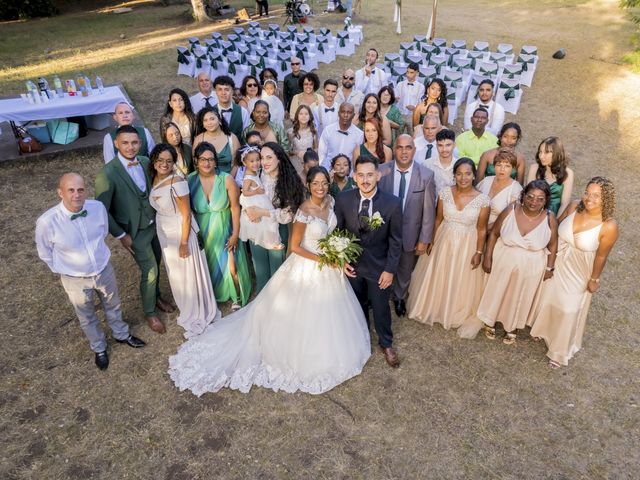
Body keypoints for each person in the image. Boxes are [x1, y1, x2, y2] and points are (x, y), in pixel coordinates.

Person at [168, 166, 371, 396]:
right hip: (308, 264)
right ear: (309, 185)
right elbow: (295, 247)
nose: (321, 187)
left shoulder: (332, 202)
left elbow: (331, 232)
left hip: (330, 265)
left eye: (324, 183)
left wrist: (337, 252)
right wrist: (325, 259)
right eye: (316, 183)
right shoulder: (304, 211)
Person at [36, 173, 146, 370]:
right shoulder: (47, 222)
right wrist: (65, 269)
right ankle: (99, 347)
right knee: (86, 315)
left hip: (103, 269)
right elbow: (45, 253)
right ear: (60, 193)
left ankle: (121, 334)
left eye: (80, 190)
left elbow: (103, 232)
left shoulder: (97, 208)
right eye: (71, 190)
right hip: (74, 279)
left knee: (113, 304)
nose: (77, 195)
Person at [529, 177, 619, 368]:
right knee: (547, 296)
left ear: (606, 199)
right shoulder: (573, 206)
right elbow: (554, 227)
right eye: (587, 192)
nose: (589, 198)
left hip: (579, 269)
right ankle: (542, 329)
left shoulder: (609, 226)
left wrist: (594, 279)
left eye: (596, 195)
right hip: (557, 260)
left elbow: (601, 257)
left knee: (569, 308)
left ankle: (559, 351)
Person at [95, 125, 175, 335]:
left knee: (157, 262)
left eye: (134, 143)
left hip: (155, 224)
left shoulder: (146, 162)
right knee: (149, 271)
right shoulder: (107, 173)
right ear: (116, 144)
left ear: (140, 143)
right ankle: (149, 312)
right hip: (134, 232)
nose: (130, 147)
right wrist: (121, 235)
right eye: (125, 143)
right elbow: (102, 209)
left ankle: (156, 296)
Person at [335, 156, 403, 368]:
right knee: (357, 305)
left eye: (370, 175)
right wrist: (341, 260)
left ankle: (386, 342)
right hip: (353, 266)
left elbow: (396, 240)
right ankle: (360, 338)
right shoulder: (343, 200)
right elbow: (337, 233)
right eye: (361, 175)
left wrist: (390, 270)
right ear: (355, 177)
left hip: (379, 267)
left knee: (381, 306)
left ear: (378, 175)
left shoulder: (392, 203)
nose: (365, 180)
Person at [407, 158, 490, 330]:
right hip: (444, 240)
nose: (463, 178)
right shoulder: (445, 193)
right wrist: (431, 240)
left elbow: (482, 229)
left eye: (467, 174)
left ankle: (454, 311)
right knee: (439, 272)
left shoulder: (483, 200)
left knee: (460, 276)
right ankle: (434, 307)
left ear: (474, 175)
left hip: (467, 242)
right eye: (459, 174)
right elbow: (438, 219)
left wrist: (479, 252)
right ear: (454, 176)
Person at [472, 180, 558, 343]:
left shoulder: (550, 218)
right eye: (530, 196)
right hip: (504, 259)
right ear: (523, 195)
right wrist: (488, 257)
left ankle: (513, 326)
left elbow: (553, 245)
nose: (534, 202)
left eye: (540, 199)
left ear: (546, 200)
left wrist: (550, 267)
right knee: (498, 290)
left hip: (532, 266)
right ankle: (489, 320)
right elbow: (494, 234)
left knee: (520, 295)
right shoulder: (511, 209)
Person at [148, 144, 219, 337]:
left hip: (180, 231)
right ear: (154, 160)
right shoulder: (154, 178)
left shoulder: (177, 182)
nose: (164, 164)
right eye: (160, 160)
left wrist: (184, 242)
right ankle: (185, 304)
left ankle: (195, 310)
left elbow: (186, 215)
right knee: (175, 272)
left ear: (174, 163)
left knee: (187, 272)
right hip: (164, 232)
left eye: (169, 161)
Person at [189, 142, 252, 310]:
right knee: (209, 266)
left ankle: (237, 296)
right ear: (196, 161)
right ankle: (214, 296)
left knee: (232, 267)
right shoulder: (190, 180)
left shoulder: (226, 179)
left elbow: (235, 207)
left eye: (210, 159)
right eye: (203, 159)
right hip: (203, 231)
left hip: (225, 228)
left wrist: (235, 234)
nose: (207, 163)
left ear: (216, 161)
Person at [378, 135, 436, 317]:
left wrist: (424, 239)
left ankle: (400, 297)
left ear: (414, 150)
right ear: (394, 149)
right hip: (384, 230)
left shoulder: (426, 175)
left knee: (405, 267)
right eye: (400, 147)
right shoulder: (382, 171)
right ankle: (379, 295)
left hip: (410, 231)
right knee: (381, 263)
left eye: (408, 148)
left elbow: (428, 212)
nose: (404, 152)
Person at [243, 143, 306, 292]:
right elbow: (245, 198)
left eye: (269, 157)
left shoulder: (289, 181)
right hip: (257, 229)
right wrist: (249, 211)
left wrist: (261, 212)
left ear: (279, 159)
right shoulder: (256, 176)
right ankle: (261, 311)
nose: (264, 162)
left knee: (278, 275)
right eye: (261, 158)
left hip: (278, 230)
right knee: (261, 274)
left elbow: (288, 215)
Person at [238, 144, 284, 250]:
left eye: (258, 159)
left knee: (269, 222)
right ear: (244, 163)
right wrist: (256, 191)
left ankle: (272, 242)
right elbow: (244, 192)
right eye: (252, 161)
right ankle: (270, 242)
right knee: (266, 223)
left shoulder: (257, 172)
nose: (256, 163)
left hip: (260, 200)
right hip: (254, 200)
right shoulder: (248, 176)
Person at [476, 147, 523, 229]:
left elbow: (511, 219)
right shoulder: (486, 181)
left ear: (513, 169)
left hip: (497, 231)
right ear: (494, 166)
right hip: (476, 226)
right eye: (499, 165)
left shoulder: (516, 189)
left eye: (507, 166)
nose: (502, 169)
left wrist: (486, 229)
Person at [526, 136, 574, 216]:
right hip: (533, 213)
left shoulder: (568, 174)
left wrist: (555, 223)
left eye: (546, 152)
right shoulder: (534, 168)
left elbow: (564, 204)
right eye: (540, 152)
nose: (541, 156)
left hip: (554, 215)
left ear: (557, 153)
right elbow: (528, 196)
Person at [192, 107, 240, 174]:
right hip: (205, 181)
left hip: (229, 180)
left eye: (212, 119)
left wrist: (229, 180)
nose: (209, 123)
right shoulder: (198, 139)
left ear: (219, 120)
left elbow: (237, 163)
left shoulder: (232, 138)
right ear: (202, 124)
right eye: (205, 120)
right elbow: (196, 164)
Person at [318, 102, 364, 169]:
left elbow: (358, 159)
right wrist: (325, 171)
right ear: (338, 113)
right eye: (343, 112)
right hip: (329, 172)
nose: (345, 115)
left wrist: (351, 175)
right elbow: (322, 154)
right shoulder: (328, 130)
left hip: (349, 175)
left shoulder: (359, 135)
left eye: (349, 112)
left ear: (353, 115)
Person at [212, 75, 250, 141]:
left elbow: (246, 137)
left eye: (227, 89)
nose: (223, 93)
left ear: (232, 91)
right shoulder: (210, 112)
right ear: (216, 92)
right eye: (220, 89)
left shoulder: (243, 112)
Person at [395, 62, 425, 135]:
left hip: (413, 116)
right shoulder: (400, 84)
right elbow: (396, 98)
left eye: (411, 72)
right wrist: (395, 99)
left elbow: (421, 102)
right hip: (400, 115)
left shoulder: (421, 87)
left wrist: (414, 108)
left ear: (417, 73)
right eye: (407, 72)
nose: (408, 75)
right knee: (398, 136)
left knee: (412, 137)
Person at [287, 104, 318, 175]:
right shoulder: (291, 132)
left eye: (306, 114)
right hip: (295, 163)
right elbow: (288, 151)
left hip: (309, 163)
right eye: (301, 114)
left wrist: (310, 154)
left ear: (310, 117)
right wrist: (297, 153)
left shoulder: (313, 131)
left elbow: (316, 149)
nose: (303, 116)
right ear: (297, 116)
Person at [429, 128, 457, 195]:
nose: (444, 149)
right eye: (440, 145)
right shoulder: (427, 165)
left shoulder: (460, 165)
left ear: (454, 145)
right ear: (436, 146)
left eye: (448, 145)